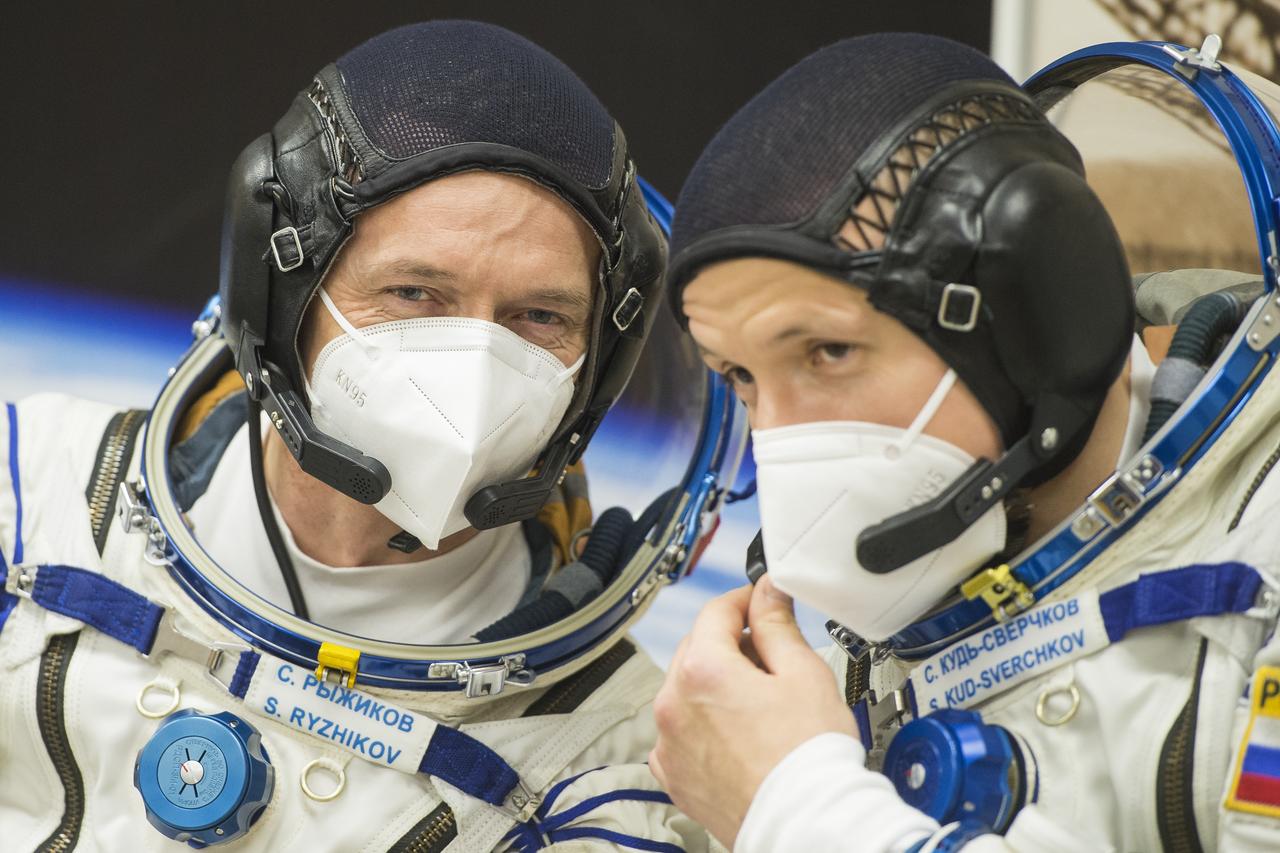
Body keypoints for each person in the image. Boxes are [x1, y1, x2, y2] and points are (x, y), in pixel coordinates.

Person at [0, 21, 730, 851]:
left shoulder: (613, 773)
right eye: (414, 292)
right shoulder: (30, 510)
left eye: (539, 316)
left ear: (596, 365)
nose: (474, 369)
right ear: (283, 298)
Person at [649, 32, 1280, 852]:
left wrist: (800, 812)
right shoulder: (850, 663)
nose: (781, 434)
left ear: (1038, 320)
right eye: (740, 374)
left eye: (827, 351)